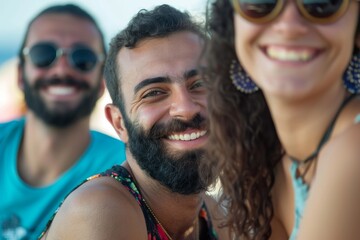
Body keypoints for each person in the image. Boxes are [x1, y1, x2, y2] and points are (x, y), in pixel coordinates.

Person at [39, 4, 230, 240]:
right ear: (119, 123)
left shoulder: (211, 214)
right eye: (154, 93)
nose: (186, 109)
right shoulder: (101, 210)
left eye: (200, 84)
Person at [202, 0, 360, 239]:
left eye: (321, 3)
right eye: (262, 2)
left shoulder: (353, 152)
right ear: (233, 23)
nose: (289, 25)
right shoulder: (261, 160)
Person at [0, 4, 126, 240]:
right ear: (20, 75)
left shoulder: (129, 172)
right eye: (43, 54)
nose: (62, 68)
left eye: (83, 58)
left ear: (102, 81)